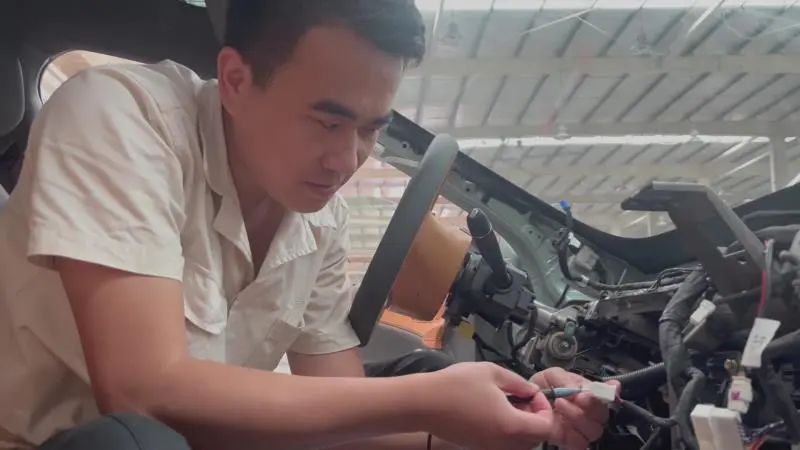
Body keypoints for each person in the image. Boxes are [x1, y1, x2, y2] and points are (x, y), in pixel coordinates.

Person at [0, 1, 617, 449]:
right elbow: (143, 393)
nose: (347, 161)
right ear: (236, 81)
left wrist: (517, 415)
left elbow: (346, 414)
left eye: (371, 130)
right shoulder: (121, 117)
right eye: (328, 122)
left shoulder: (319, 221)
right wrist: (425, 401)